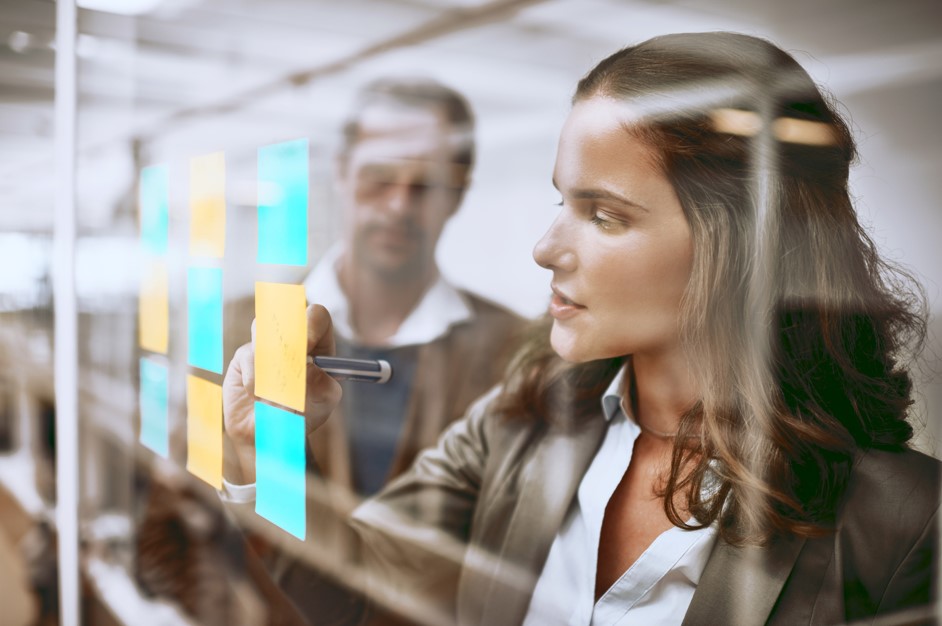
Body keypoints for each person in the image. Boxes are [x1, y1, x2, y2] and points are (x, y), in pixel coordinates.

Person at [224, 32, 939, 625]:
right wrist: (273, 454)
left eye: (605, 216)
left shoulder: (907, 526)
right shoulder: (517, 420)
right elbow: (358, 593)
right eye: (562, 201)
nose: (545, 247)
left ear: (743, 248)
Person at [222, 77, 525, 623]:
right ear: (341, 173)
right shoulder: (240, 327)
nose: (397, 205)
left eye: (425, 186)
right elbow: (178, 507)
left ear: (459, 193)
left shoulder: (514, 351)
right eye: (378, 178)